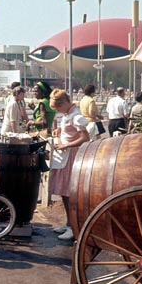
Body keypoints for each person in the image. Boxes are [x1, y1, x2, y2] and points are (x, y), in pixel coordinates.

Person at [48, 89, 90, 240]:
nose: (57, 111)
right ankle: (68, 223)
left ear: (64, 103)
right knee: (64, 193)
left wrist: (67, 145)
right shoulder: (68, 114)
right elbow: (71, 131)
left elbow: (85, 137)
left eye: (58, 108)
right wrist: (60, 131)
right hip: (65, 156)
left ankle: (74, 227)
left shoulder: (76, 116)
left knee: (69, 193)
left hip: (71, 156)